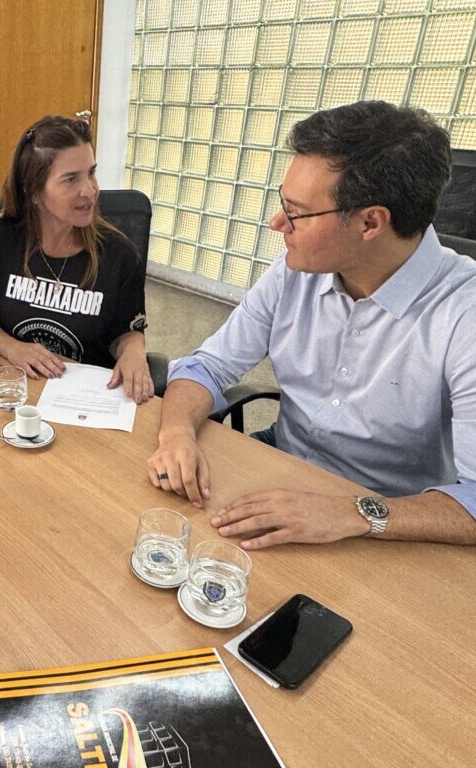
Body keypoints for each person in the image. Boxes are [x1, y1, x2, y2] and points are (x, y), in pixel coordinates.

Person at [148, 101, 476, 549]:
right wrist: (176, 433)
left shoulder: (463, 315)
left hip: (391, 519)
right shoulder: (296, 271)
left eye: (296, 212)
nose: (277, 223)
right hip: (283, 465)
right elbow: (207, 367)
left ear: (370, 222)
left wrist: (352, 512)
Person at [0, 115, 153, 402]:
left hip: (84, 399)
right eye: (71, 179)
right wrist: (11, 347)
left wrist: (134, 351)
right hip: (16, 390)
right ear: (33, 191)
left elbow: (127, 332)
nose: (90, 190)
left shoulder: (119, 254)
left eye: (91, 173)